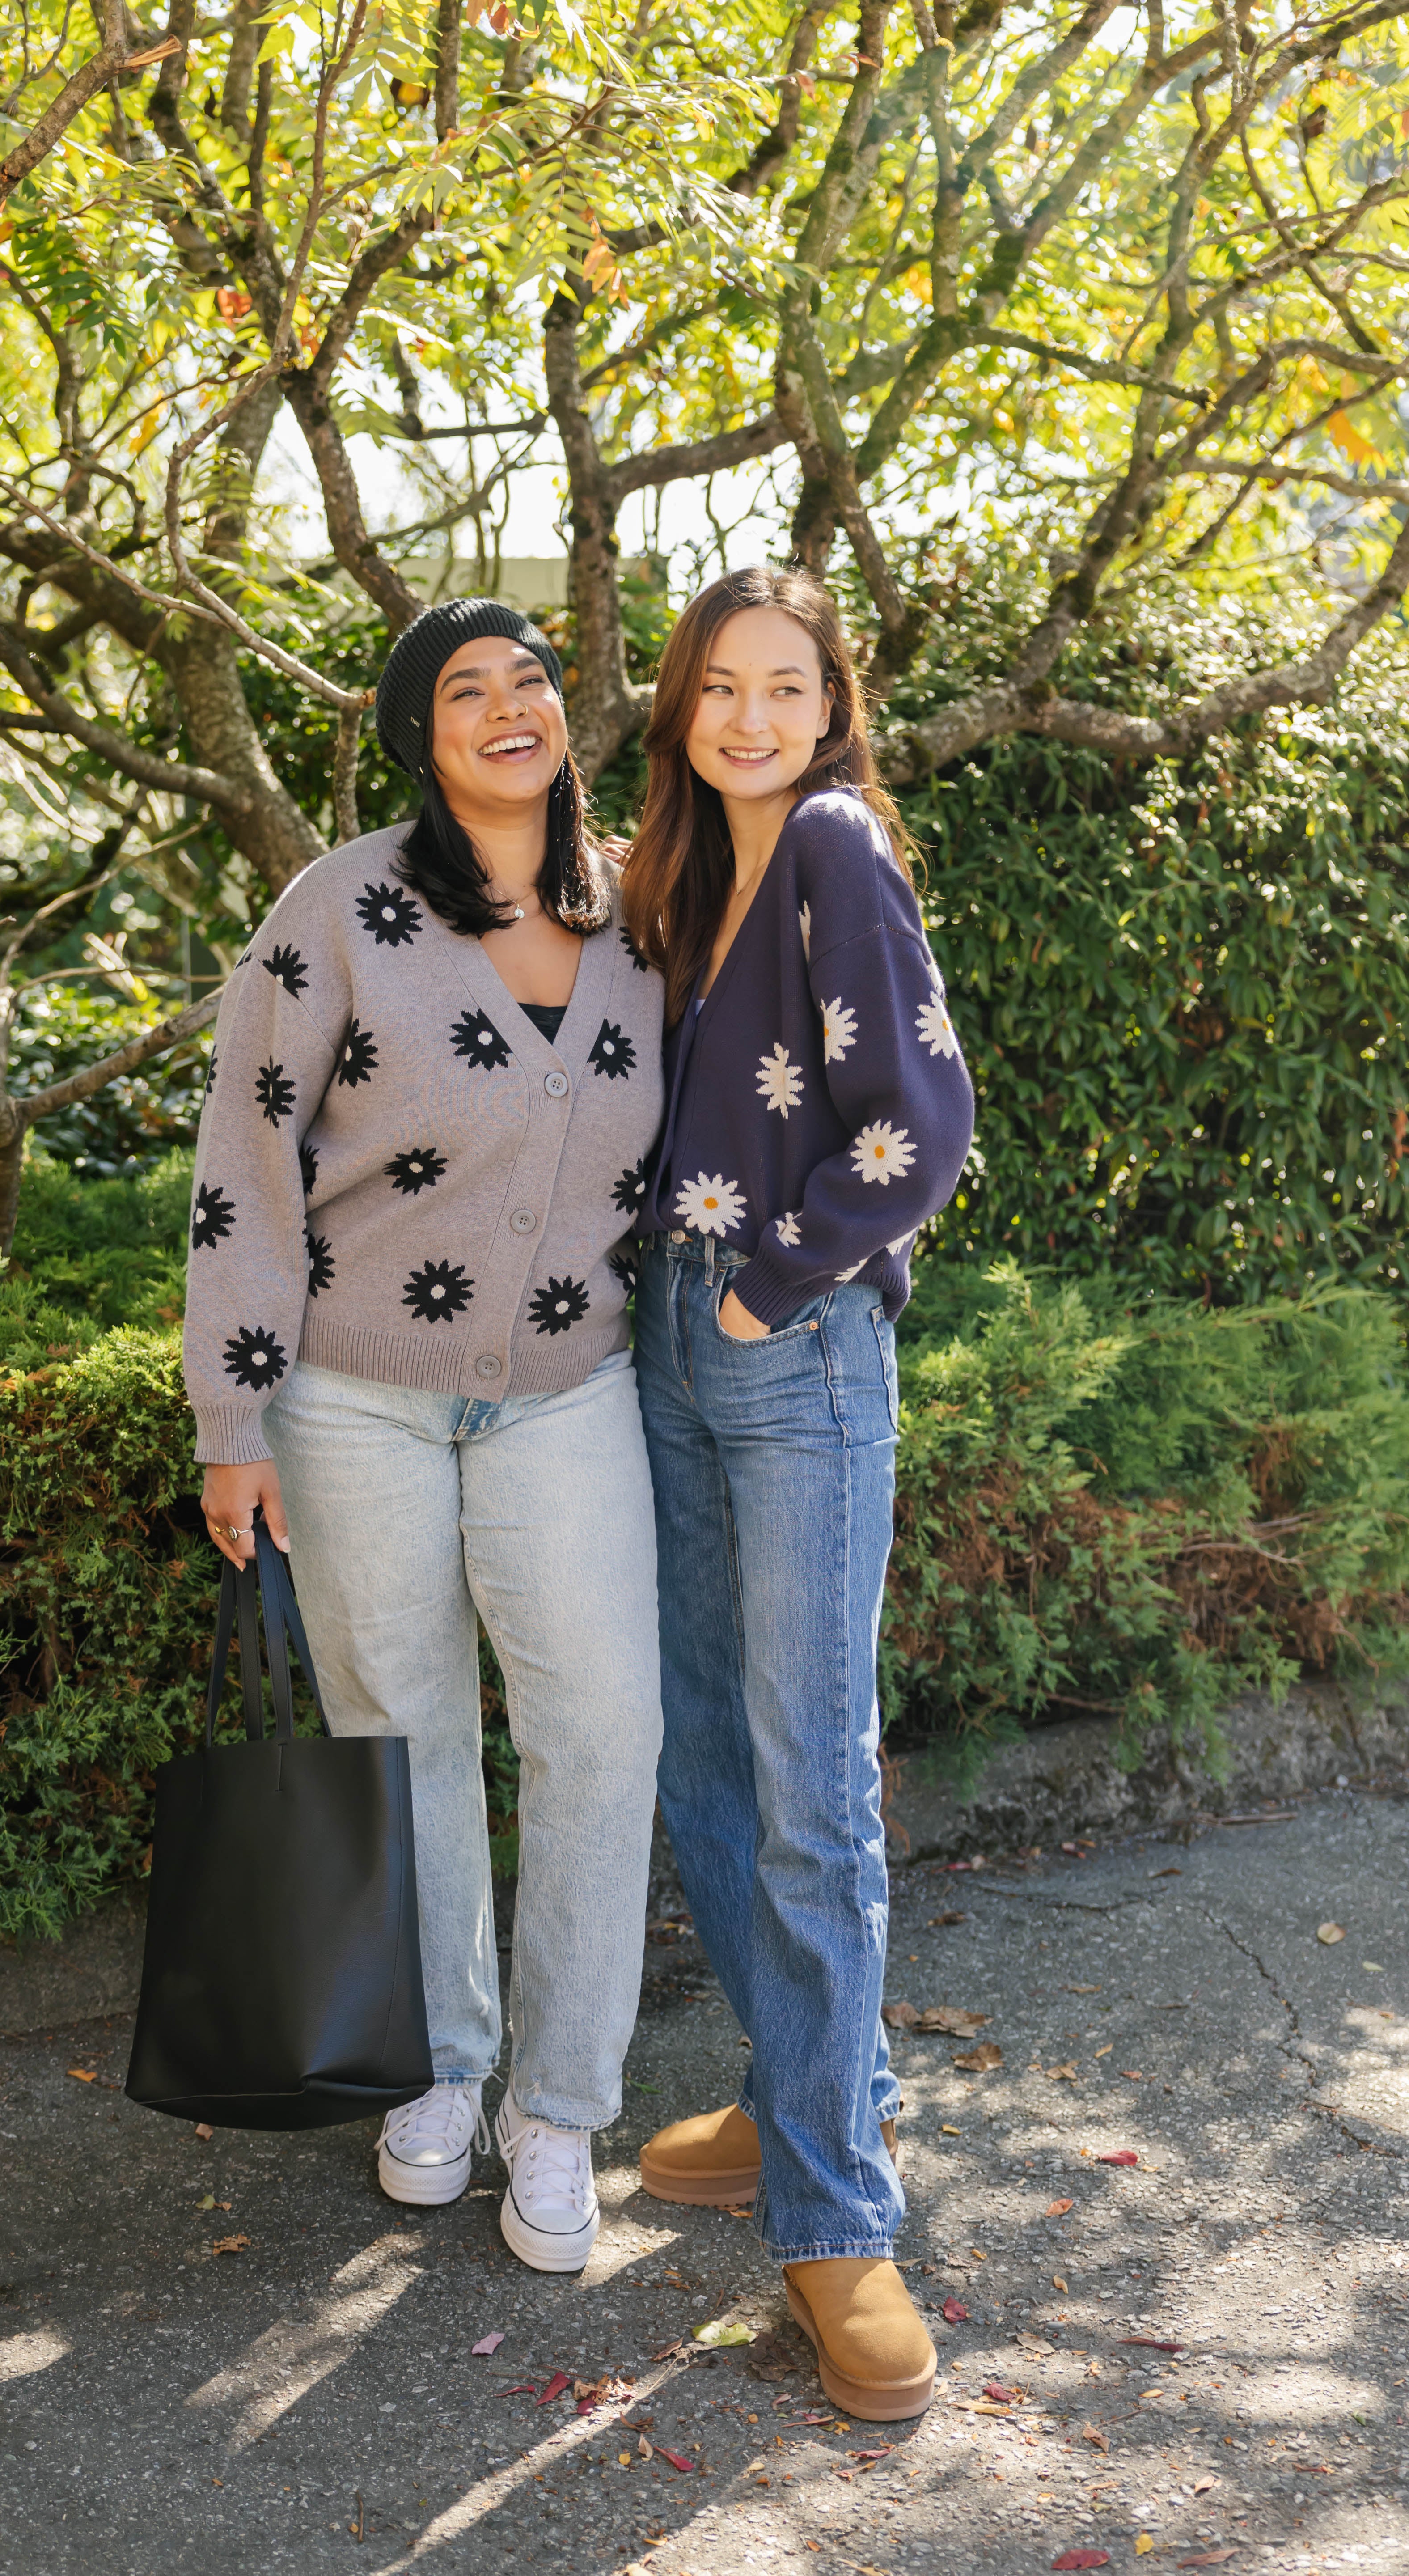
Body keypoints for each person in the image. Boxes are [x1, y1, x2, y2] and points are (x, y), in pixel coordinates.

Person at [184, 598, 665, 2274]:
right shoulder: (342, 910)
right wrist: (230, 1412)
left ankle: (562, 2111)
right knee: (404, 1736)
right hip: (352, 1396)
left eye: (529, 678)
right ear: (420, 736)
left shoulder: (643, 921)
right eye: (465, 691)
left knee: (602, 1729)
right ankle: (444, 2075)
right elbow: (243, 1154)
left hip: (569, 1392)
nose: (508, 706)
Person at [621, 566, 975, 2418]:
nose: (750, 717)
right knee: (706, 1754)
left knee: (810, 1785)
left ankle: (840, 2212)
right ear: (678, 705)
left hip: (788, 1345)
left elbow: (925, 1125)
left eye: (787, 685)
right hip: (667, 1346)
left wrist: (771, 1284)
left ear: (835, 701)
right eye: (718, 687)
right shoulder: (681, 874)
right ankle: (785, 2100)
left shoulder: (832, 844)